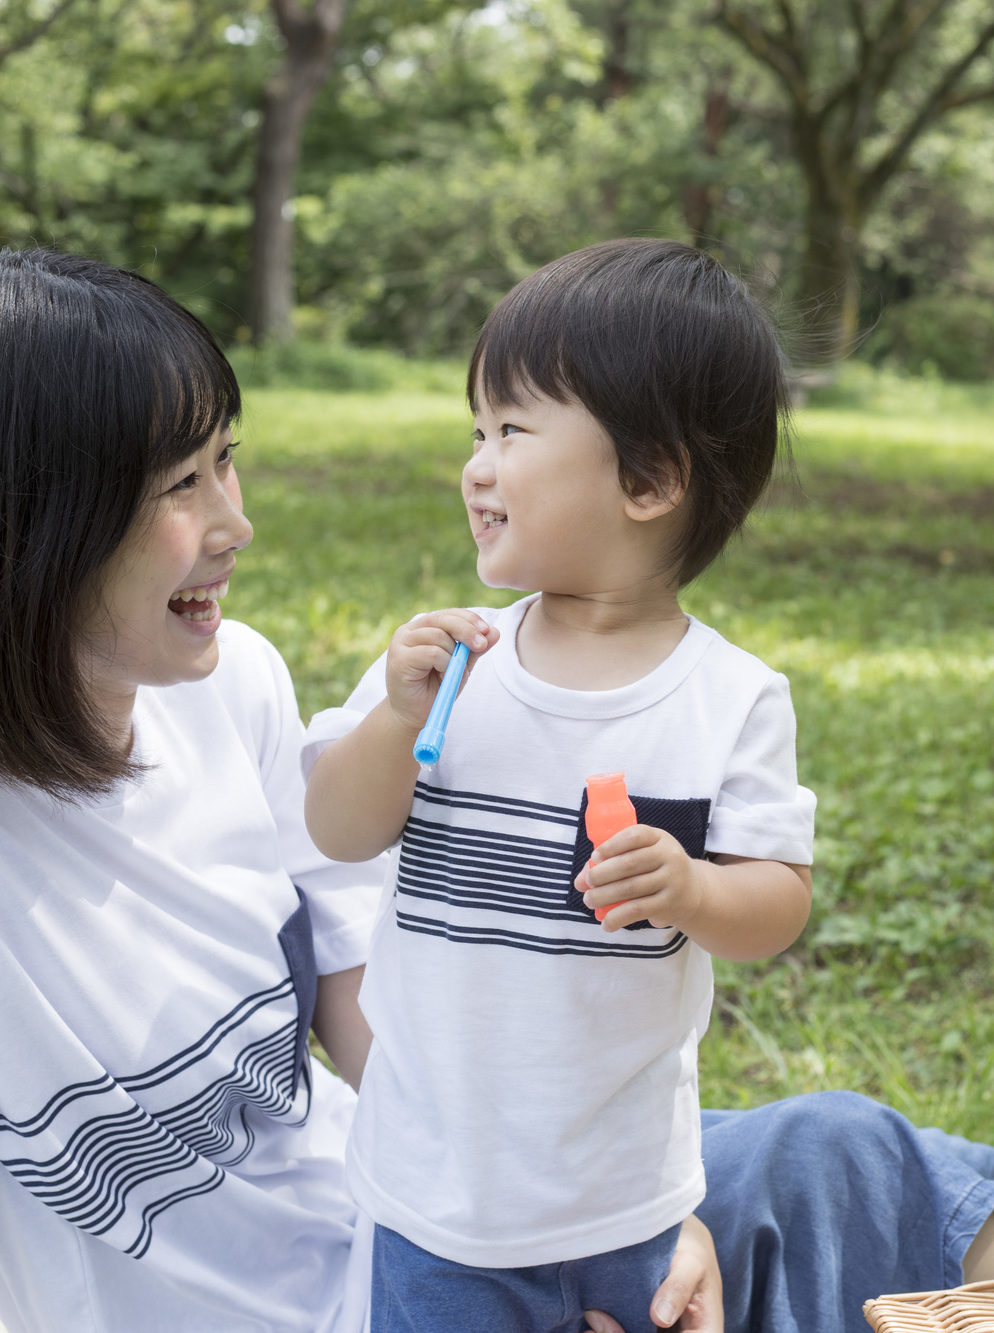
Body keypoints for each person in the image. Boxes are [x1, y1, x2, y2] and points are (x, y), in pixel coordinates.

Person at [0, 246, 994, 1333]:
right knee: (840, 1166)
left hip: (431, 1220)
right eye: (183, 485)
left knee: (840, 1152)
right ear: (17, 521)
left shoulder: (229, 689)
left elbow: (364, 1014)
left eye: (230, 464)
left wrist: (603, 1222)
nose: (238, 524)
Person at [299, 239, 817, 1333]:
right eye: (475, 430)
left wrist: (691, 891)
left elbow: (775, 902)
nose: (476, 465)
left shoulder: (727, 697)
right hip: (434, 1194)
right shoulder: (452, 666)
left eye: (512, 430)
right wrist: (391, 721)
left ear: (648, 478)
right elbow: (337, 829)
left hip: (622, 1196)